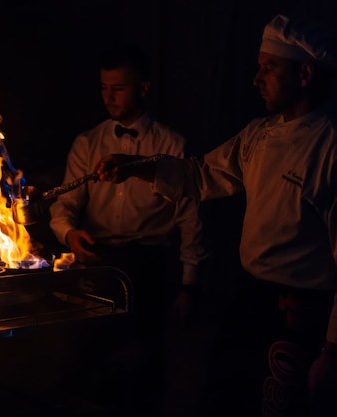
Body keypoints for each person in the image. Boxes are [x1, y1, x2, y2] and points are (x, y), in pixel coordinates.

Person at [96, 13, 337, 417]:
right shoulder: (258, 134)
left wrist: (332, 350)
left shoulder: (329, 146)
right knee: (225, 399)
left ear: (305, 73)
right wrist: (138, 166)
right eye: (258, 67)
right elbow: (202, 174)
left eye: (269, 68)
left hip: (301, 314)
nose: (256, 79)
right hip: (251, 299)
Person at [48, 41, 208, 413]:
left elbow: (191, 219)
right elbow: (64, 206)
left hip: (150, 265)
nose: (109, 97)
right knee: (90, 362)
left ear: (143, 88)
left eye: (118, 88)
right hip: (99, 261)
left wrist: (189, 285)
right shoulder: (87, 143)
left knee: (146, 363)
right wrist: (70, 234)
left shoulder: (171, 144)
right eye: (104, 87)